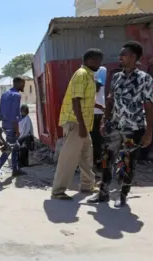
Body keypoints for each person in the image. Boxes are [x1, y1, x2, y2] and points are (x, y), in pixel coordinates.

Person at [88, 41, 153, 207]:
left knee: (127, 163)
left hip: (134, 129)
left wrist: (149, 132)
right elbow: (110, 101)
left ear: (133, 57)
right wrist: (105, 119)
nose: (120, 57)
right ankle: (103, 194)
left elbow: (149, 106)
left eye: (123, 54)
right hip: (115, 127)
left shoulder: (144, 79)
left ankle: (123, 195)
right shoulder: (116, 76)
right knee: (106, 159)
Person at [51, 49, 104, 200]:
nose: (99, 64)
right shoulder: (81, 74)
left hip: (83, 124)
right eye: (96, 60)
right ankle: (58, 191)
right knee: (69, 156)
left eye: (100, 60)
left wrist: (101, 108)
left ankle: (87, 185)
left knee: (87, 154)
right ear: (88, 60)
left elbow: (86, 100)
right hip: (75, 122)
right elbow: (76, 101)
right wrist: (81, 126)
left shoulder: (88, 75)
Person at [0, 77, 26, 185]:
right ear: (17, 84)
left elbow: (0, 111)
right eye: (23, 84)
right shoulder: (16, 96)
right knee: (8, 150)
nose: (24, 86)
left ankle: (15, 170)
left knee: (15, 147)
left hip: (4, 125)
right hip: (11, 127)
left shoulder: (5, 94)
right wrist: (17, 130)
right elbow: (15, 115)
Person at [91, 66, 107, 171]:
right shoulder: (83, 71)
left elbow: (98, 86)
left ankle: (102, 165)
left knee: (100, 140)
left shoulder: (102, 70)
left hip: (99, 112)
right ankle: (94, 164)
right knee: (91, 141)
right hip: (88, 112)